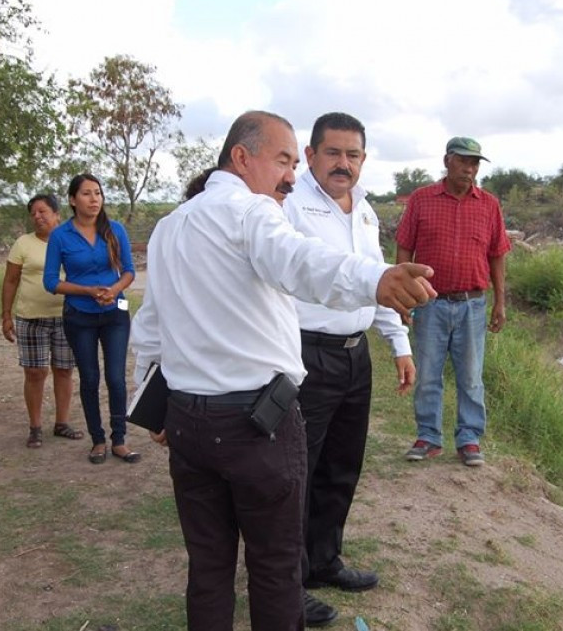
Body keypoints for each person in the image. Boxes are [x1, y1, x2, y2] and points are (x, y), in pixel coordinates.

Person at [130, 110, 436, 631]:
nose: (292, 176)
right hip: (256, 426)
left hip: (188, 422)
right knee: (274, 568)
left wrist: (149, 401)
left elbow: (151, 328)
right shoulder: (252, 214)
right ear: (242, 157)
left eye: (295, 163)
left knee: (208, 566)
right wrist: (376, 280)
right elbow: (301, 260)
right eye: (283, 161)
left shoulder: (169, 227)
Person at [281, 113, 414, 621]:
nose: (343, 164)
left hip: (355, 355)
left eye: (352, 155)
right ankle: (286, 580)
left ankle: (323, 559)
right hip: (304, 352)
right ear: (310, 155)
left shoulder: (364, 211)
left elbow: (378, 280)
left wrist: (398, 343)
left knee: (341, 466)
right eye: (332, 153)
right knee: (299, 470)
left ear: (363, 159)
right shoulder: (288, 205)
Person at [395, 136, 511, 467]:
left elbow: (497, 255)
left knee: (471, 375)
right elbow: (404, 248)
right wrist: (404, 292)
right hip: (430, 302)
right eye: (464, 161)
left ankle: (469, 439)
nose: (470, 169)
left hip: (473, 304)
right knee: (429, 372)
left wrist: (500, 302)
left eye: (475, 163)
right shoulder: (421, 199)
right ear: (448, 161)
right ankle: (428, 437)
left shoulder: (489, 204)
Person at [44, 174, 137, 464]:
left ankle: (119, 440)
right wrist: (86, 290)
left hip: (115, 314)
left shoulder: (115, 230)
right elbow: (50, 281)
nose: (94, 199)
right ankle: (98, 440)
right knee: (90, 378)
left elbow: (129, 271)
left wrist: (114, 290)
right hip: (79, 316)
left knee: (116, 378)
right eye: (86, 194)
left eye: (98, 193)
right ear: (73, 200)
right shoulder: (61, 236)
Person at [1, 194, 80, 448]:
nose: (37, 217)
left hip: (66, 316)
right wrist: (5, 315)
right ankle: (35, 427)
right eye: (33, 213)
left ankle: (62, 423)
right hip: (30, 317)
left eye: (43, 211)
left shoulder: (72, 240)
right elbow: (11, 280)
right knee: (35, 372)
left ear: (58, 215)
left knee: (64, 370)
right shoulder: (23, 243)